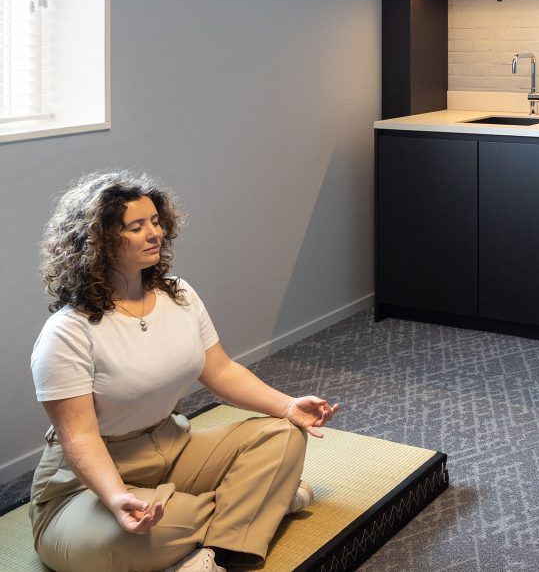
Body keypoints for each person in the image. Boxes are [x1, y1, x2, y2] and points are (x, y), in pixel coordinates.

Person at [28, 170, 339, 572]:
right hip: (86, 480)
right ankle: (258, 507)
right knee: (105, 544)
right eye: (136, 227)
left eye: (156, 222)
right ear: (99, 242)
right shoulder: (68, 331)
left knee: (281, 435)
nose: (154, 233)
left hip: (172, 445)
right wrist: (117, 498)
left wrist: (288, 405)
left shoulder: (179, 294)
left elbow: (221, 371)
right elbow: (80, 437)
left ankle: (223, 544)